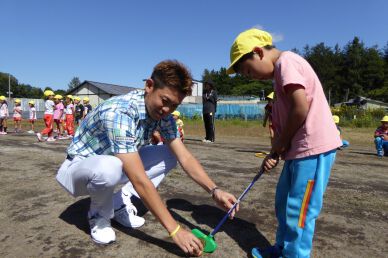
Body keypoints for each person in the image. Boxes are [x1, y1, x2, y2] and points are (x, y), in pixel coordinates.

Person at [56, 60, 238, 256]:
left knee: (169, 154)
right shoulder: (120, 111)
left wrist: (214, 190)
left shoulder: (164, 116)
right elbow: (139, 179)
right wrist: (175, 231)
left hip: (115, 164)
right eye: (165, 101)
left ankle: (118, 203)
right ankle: (98, 215)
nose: (167, 110)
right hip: (78, 170)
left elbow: (184, 156)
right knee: (109, 167)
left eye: (174, 105)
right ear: (149, 86)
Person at [227, 28, 342, 258]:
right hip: (297, 151)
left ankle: (295, 255)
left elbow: (300, 109)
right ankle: (282, 248)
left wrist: (280, 142)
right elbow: (286, 120)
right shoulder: (279, 76)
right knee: (283, 202)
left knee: (300, 210)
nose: (252, 77)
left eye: (249, 71)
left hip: (312, 149)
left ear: (258, 52)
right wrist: (276, 152)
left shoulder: (286, 63)